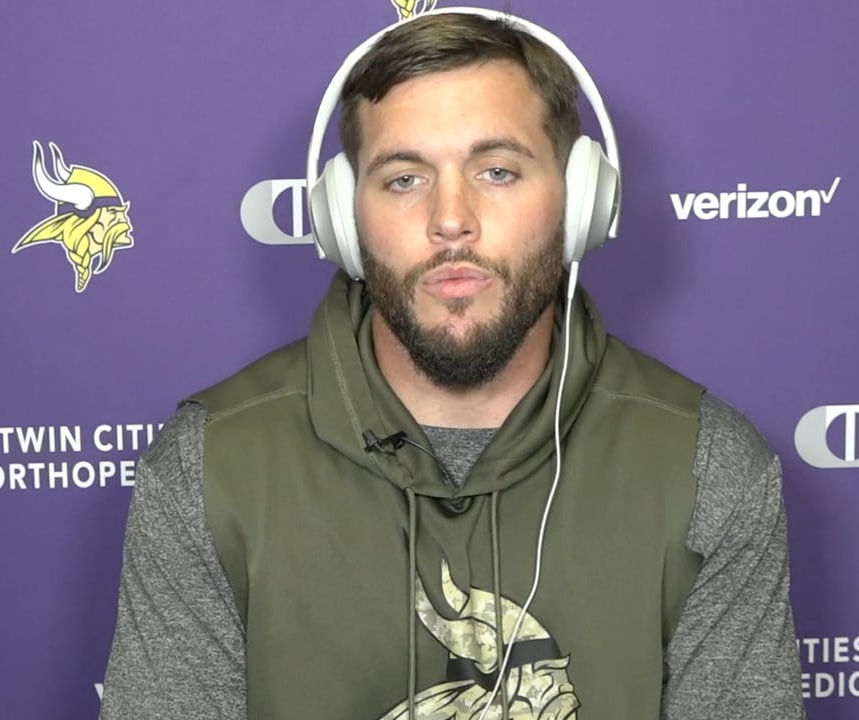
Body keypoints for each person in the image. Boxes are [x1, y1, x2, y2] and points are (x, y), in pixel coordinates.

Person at [99, 8, 805, 719]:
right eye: (404, 178)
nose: (451, 218)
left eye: (497, 171)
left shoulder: (708, 466)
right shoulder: (209, 469)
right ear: (344, 220)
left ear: (581, 200)